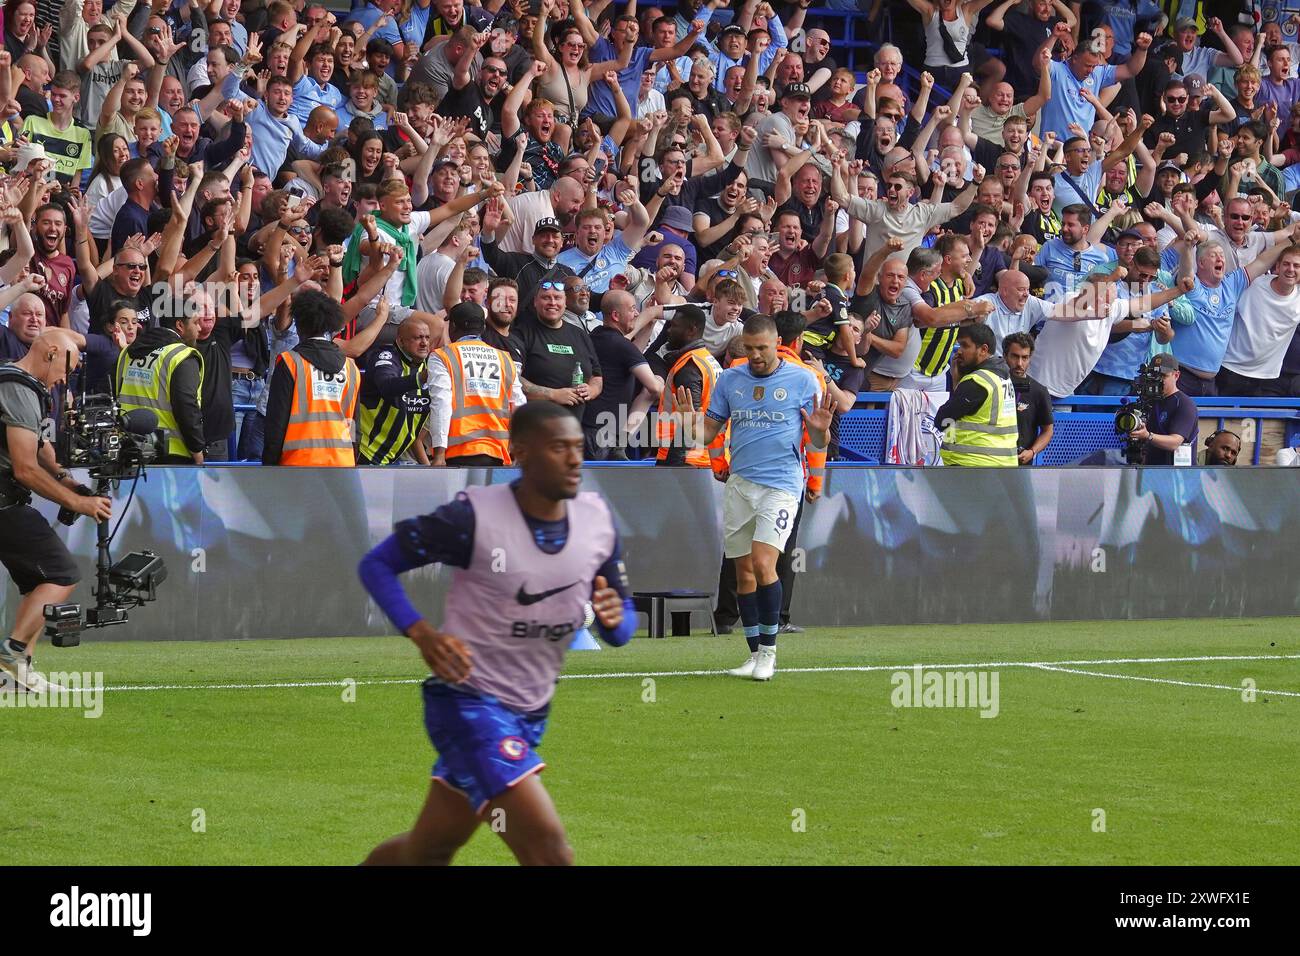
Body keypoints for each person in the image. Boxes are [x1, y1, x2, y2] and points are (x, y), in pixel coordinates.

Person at [355, 401, 634, 866]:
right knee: (549, 852)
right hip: (467, 705)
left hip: (531, 712)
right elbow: (377, 564)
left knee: (427, 852)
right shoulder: (473, 517)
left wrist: (613, 618)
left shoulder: (596, 519)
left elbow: (624, 626)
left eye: (578, 447)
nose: (574, 459)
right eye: (558, 448)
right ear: (519, 452)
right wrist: (422, 634)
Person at [675, 313, 833, 682]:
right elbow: (709, 433)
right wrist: (688, 424)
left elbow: (816, 440)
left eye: (762, 348)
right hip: (740, 485)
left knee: (764, 564)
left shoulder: (802, 380)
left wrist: (821, 433)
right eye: (750, 348)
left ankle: (769, 653)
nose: (756, 355)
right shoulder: (731, 379)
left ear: (777, 343)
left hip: (781, 485)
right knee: (743, 572)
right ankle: (752, 654)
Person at [0, 328, 113, 692]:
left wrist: (66, 479)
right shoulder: (18, 387)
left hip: (7, 500)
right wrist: (77, 502)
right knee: (62, 574)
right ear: (50, 352)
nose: (66, 379)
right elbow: (25, 468)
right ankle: (9, 655)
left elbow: (40, 447)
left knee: (39, 582)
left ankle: (17, 673)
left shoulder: (23, 385)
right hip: (4, 501)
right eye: (67, 368)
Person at [262, 289, 360, 467]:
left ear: (299, 324)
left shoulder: (290, 362)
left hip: (298, 464)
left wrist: (270, 467)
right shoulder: (351, 368)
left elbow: (276, 423)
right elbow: (354, 425)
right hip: (342, 463)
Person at [428, 302, 526, 467]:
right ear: (483, 328)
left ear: (453, 326)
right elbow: (519, 406)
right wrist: (518, 450)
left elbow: (441, 403)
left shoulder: (443, 356)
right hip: (497, 453)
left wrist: (439, 454)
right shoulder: (505, 358)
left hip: (458, 451)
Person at [115, 296, 206, 465]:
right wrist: (197, 450)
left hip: (128, 449)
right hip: (172, 454)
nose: (199, 328)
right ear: (180, 325)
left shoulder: (127, 353)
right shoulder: (181, 356)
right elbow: (186, 407)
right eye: (195, 322)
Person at [935, 323, 1018, 467]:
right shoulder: (1003, 376)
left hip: (973, 464)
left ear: (983, 350)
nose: (959, 351)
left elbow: (942, 421)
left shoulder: (977, 382)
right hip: (1002, 463)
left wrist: (956, 381)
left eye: (965, 346)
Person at [654, 305, 726, 471]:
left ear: (692, 330)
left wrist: (674, 464)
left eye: (674, 325)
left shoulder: (689, 367)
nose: (669, 330)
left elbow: (690, 419)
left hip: (686, 459)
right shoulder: (708, 360)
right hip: (706, 456)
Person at [357, 315, 434, 466]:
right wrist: (421, 378)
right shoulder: (386, 357)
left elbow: (416, 435)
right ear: (400, 341)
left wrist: (429, 468)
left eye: (427, 337)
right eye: (417, 338)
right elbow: (387, 386)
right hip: (365, 453)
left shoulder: (429, 365)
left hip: (391, 459)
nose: (424, 343)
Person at [1127, 352, 1197, 466]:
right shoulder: (1149, 401)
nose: (1158, 380)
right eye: (1155, 375)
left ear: (1176, 375)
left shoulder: (1184, 404)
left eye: (1163, 376)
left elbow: (1175, 442)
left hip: (1177, 472)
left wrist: (1148, 436)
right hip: (1151, 469)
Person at [1002, 331, 1054, 466]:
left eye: (1025, 358)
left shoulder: (1039, 391)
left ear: (1030, 358)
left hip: (1021, 465)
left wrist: (1032, 451)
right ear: (1005, 356)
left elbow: (1048, 431)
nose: (1019, 363)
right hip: (993, 461)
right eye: (1015, 356)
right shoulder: (993, 385)